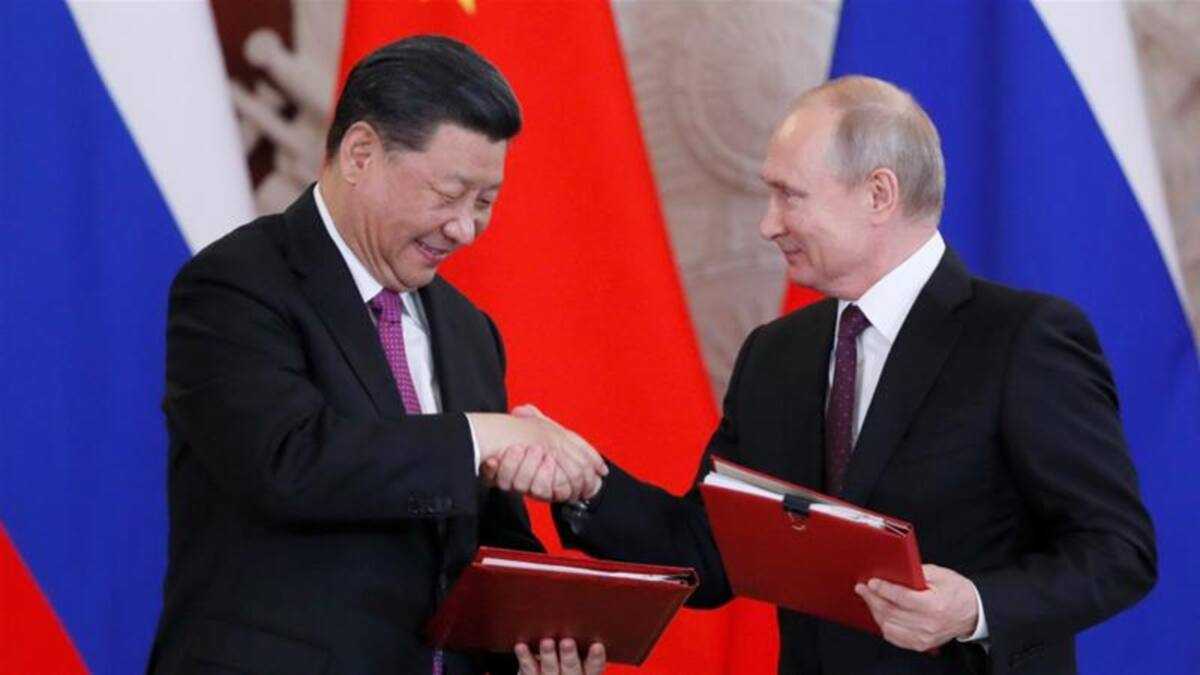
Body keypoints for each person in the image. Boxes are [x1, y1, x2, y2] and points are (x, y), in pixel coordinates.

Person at [527, 76, 1157, 674]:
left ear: (879, 194)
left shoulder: (1021, 339)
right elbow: (708, 550)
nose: (768, 224)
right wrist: (585, 482)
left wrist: (974, 608)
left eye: (789, 195)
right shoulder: (776, 354)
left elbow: (1117, 549)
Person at [147, 35, 607, 675]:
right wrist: (480, 437)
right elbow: (288, 463)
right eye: (448, 194)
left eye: (485, 203)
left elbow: (481, 544)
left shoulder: (469, 330)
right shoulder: (235, 284)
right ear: (361, 153)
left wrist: (538, 644)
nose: (465, 229)